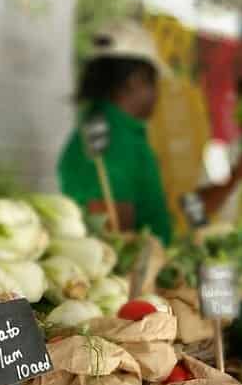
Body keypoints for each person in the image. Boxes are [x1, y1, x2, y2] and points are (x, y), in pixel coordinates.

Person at [59, 21, 173, 243]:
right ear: (136, 80)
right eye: (154, 83)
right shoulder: (112, 139)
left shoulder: (110, 129)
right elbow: (114, 237)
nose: (157, 95)